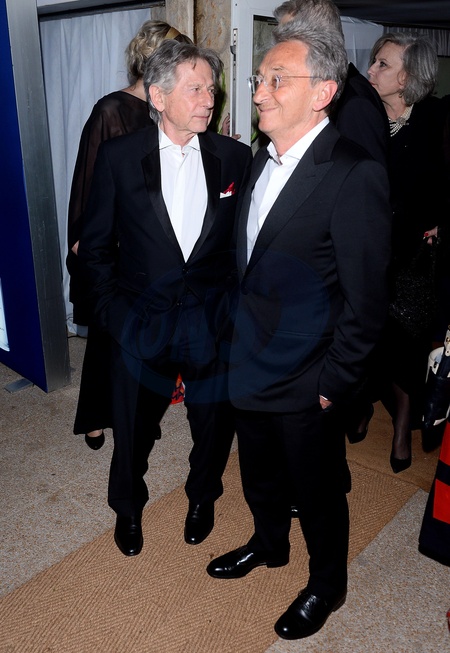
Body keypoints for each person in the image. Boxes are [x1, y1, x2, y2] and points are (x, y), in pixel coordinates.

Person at [206, 27, 391, 640]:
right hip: (248, 357)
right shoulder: (262, 156)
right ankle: (269, 544)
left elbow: (366, 302)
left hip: (310, 375)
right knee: (258, 470)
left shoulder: (354, 174)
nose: (259, 92)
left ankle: (328, 583)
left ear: (323, 93)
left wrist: (333, 383)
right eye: (259, 79)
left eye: (276, 80)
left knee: (317, 488)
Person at [77, 40, 252, 556]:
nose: (209, 100)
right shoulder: (119, 157)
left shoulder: (235, 158)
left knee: (213, 425)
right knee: (132, 427)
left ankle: (202, 498)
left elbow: (243, 246)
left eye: (211, 89)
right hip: (140, 319)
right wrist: (112, 315)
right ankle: (128, 508)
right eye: (195, 89)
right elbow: (95, 248)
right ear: (158, 96)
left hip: (209, 321)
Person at [67, 20, 192, 450]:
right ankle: (96, 418)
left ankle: (140, 413)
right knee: (109, 342)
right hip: (114, 249)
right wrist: (87, 248)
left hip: (150, 247)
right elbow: (87, 189)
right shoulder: (110, 110)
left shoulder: (169, 111)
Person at [365, 33, 448, 473]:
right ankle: (361, 402)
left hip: (415, 251)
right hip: (368, 245)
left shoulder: (436, 117)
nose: (371, 70)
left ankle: (401, 422)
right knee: (365, 332)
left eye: (383, 64)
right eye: (374, 61)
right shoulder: (362, 114)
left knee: (407, 340)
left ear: (407, 77)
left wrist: (441, 221)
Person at [273, 0, 389, 167]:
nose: (278, 48)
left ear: (317, 40)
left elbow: (365, 176)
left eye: (286, 39)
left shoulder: (355, 103)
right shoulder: (325, 89)